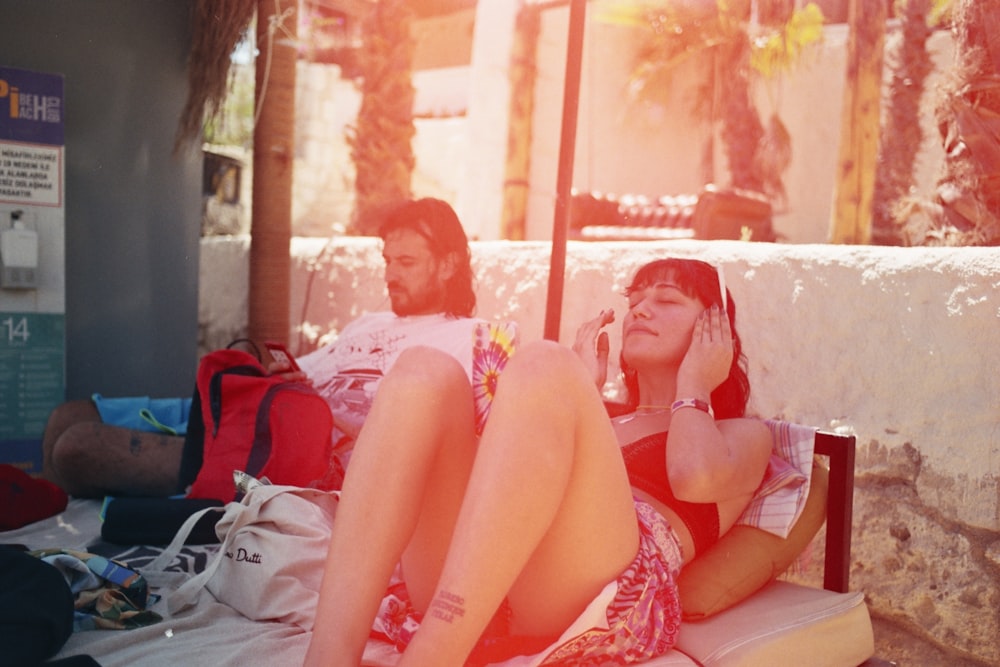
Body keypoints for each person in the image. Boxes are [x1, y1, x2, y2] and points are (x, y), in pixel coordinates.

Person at [303, 257, 773, 667]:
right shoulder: (600, 412)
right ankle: (327, 659)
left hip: (591, 596)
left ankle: (431, 660)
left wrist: (695, 382)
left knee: (543, 360)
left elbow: (693, 477)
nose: (641, 310)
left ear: (716, 332)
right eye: (635, 301)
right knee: (421, 370)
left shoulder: (741, 433)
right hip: (481, 582)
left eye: (667, 300)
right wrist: (576, 392)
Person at [41, 198, 517, 499]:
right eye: (387, 260)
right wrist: (281, 374)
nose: (390, 274)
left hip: (281, 447)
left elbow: (513, 420)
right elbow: (308, 369)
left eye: (407, 262)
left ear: (450, 264)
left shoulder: (475, 342)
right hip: (254, 406)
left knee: (74, 447)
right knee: (67, 415)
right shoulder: (370, 322)